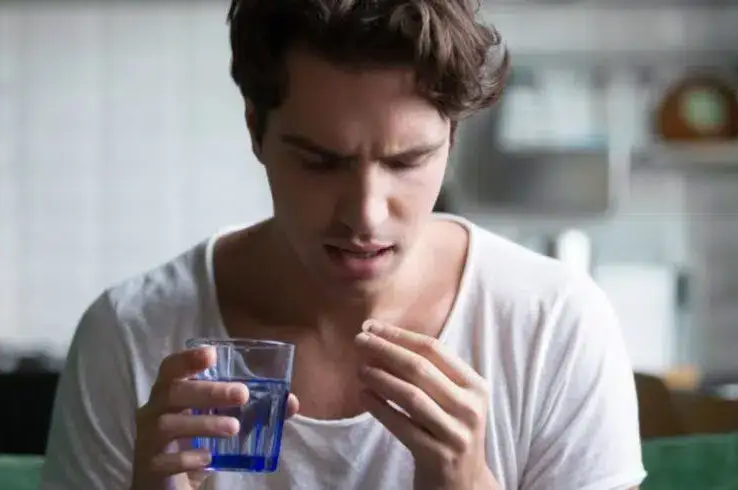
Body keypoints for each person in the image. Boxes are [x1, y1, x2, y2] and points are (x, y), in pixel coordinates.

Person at [39, 0, 647, 489]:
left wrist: (468, 482)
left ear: (452, 136)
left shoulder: (555, 325)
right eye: (321, 163)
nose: (365, 215)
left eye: (408, 160)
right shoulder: (131, 335)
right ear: (256, 129)